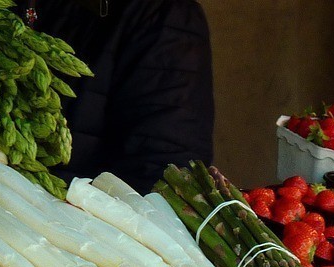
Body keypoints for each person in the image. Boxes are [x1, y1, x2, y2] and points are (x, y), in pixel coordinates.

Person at [22, 0, 215, 191]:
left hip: (67, 214)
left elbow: (162, 174)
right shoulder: (14, 9)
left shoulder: (164, 17)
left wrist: (22, 184)